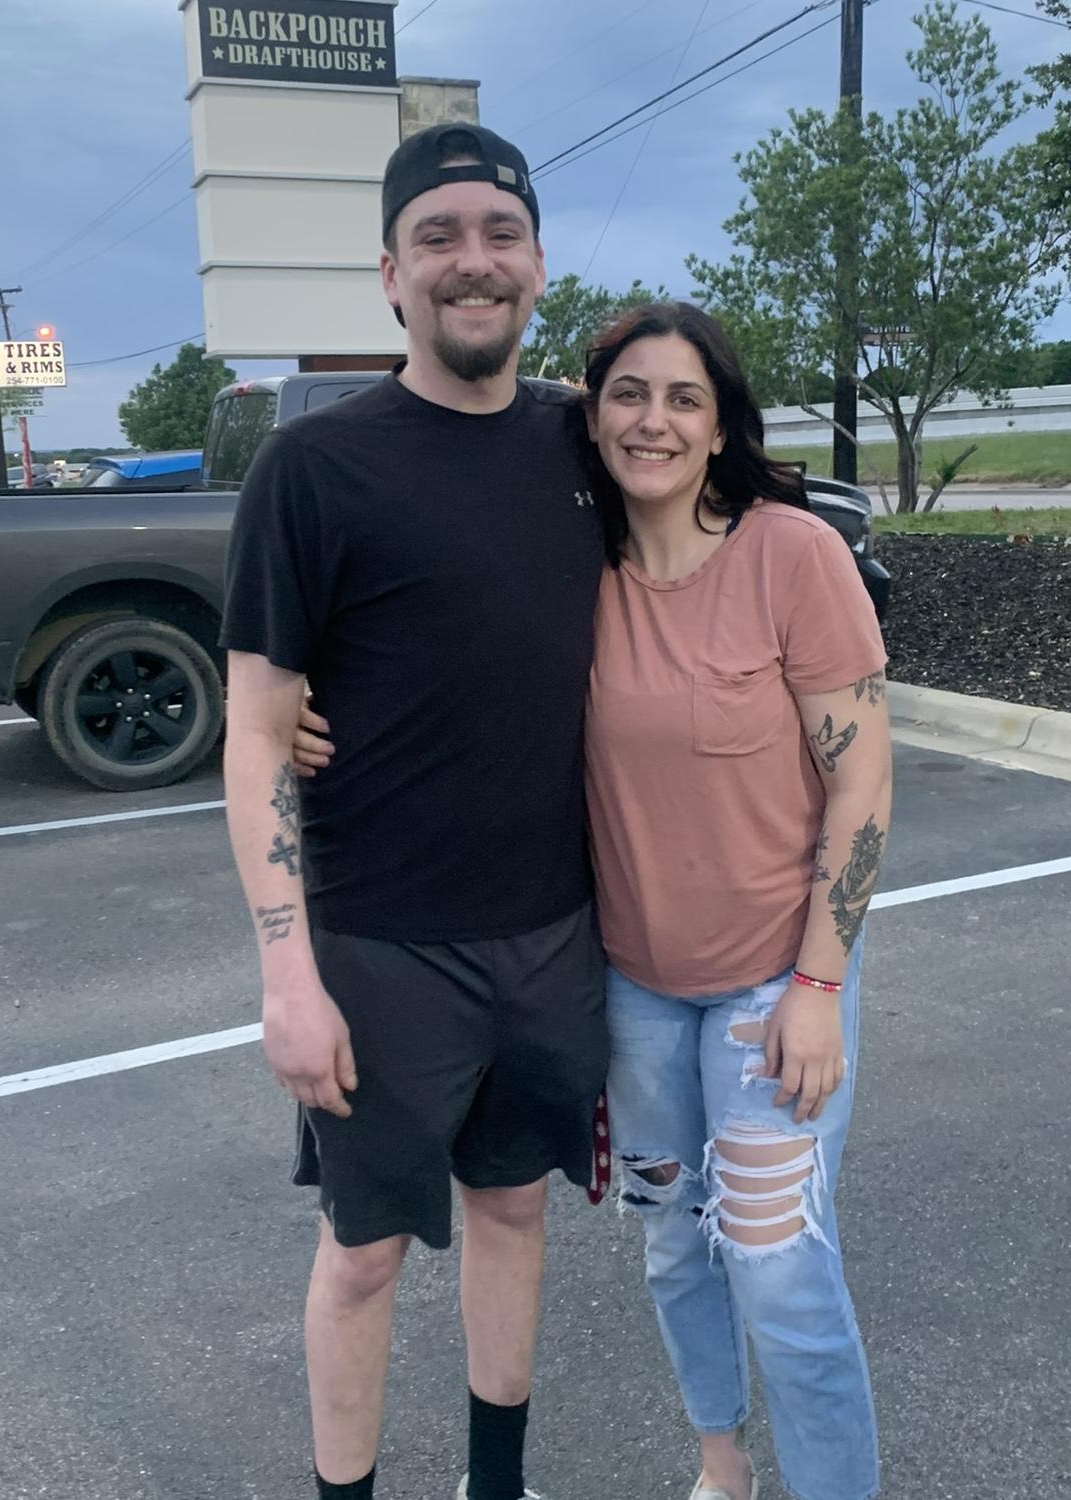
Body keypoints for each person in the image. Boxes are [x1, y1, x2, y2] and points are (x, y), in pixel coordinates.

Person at [299, 300, 892, 1500]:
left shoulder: (792, 555)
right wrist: (312, 707)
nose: (653, 421)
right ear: (592, 414)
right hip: (633, 988)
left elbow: (864, 782)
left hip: (777, 978)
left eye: (684, 398)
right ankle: (722, 1467)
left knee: (777, 1261)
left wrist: (820, 985)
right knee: (675, 1242)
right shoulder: (575, 566)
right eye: (628, 394)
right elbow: (449, 653)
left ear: (720, 425)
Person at [220, 123, 608, 1500]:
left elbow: (726, 513)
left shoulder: (589, 441)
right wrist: (287, 980)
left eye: (499, 234)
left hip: (555, 932)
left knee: (512, 1209)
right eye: (436, 236)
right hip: (379, 946)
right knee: (365, 1252)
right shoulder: (314, 471)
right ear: (391, 275)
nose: (471, 261)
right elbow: (255, 733)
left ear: (539, 265)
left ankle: (495, 1485)